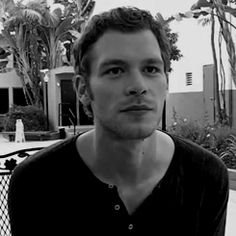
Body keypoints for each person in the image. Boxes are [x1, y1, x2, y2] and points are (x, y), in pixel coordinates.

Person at [8, 6, 229, 236]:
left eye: (151, 69)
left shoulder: (206, 177)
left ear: (166, 83)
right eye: (115, 71)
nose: (139, 86)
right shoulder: (36, 183)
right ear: (83, 88)